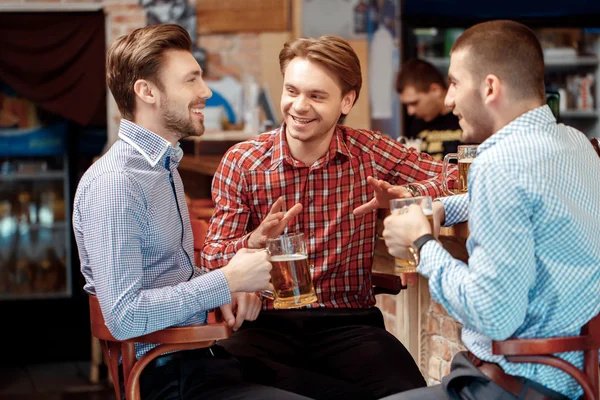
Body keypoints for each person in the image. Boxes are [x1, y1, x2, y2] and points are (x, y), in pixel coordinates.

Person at [201, 35, 456, 399]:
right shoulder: (243, 162)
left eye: (316, 96)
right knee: (219, 386)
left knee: (407, 393)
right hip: (265, 325)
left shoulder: (370, 150)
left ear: (346, 101)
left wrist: (407, 195)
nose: (298, 106)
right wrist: (250, 244)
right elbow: (212, 256)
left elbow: (450, 177)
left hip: (350, 326)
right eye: (292, 91)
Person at [72, 24, 309, 400]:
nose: (206, 91)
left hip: (199, 359)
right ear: (147, 92)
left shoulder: (160, 167)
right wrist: (226, 281)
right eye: (191, 80)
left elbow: (169, 276)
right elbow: (124, 316)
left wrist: (229, 281)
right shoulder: (117, 182)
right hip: (166, 377)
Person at [381, 20, 600, 400]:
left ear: (489, 87)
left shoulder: (498, 165)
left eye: (454, 83)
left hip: (520, 384)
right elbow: (528, 194)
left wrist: (423, 243)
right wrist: (439, 208)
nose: (449, 100)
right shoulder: (575, 142)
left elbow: (493, 315)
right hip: (578, 377)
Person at [396, 58, 462, 159]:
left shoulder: (464, 119)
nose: (410, 111)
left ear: (435, 90)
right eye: (406, 105)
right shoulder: (416, 124)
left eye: (414, 103)